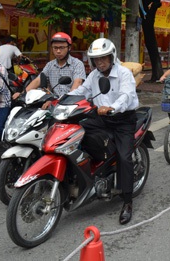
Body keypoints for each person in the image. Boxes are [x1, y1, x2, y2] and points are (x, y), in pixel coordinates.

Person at [68, 38, 139, 225]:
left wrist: (112, 107)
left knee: (125, 158)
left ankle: (127, 201)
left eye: (103, 58)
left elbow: (126, 95)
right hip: (101, 119)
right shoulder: (94, 75)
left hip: (123, 120)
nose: (100, 62)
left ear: (112, 56)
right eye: (96, 59)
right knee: (73, 134)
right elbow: (82, 91)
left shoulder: (124, 74)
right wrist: (60, 100)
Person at [15, 32, 86, 102]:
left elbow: (78, 82)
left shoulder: (77, 64)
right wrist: (22, 94)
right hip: (53, 103)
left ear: (69, 48)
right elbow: (38, 80)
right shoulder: (50, 65)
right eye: (55, 48)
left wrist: (66, 101)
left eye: (62, 47)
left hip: (71, 103)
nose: (58, 51)